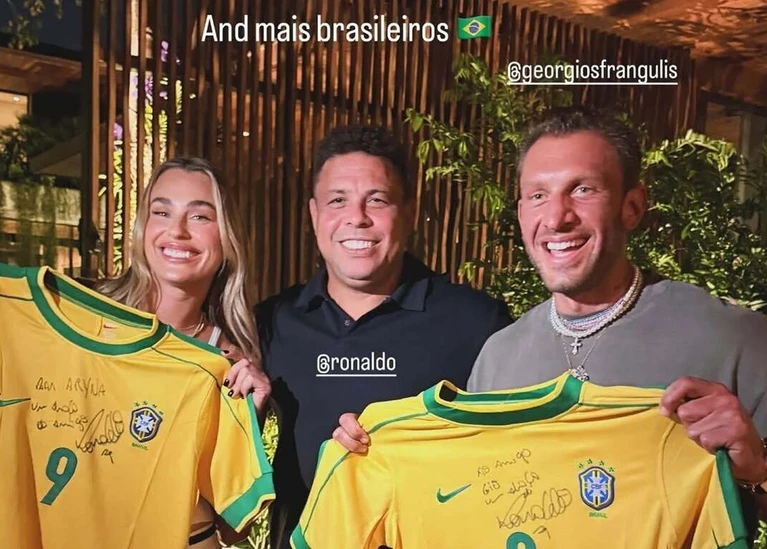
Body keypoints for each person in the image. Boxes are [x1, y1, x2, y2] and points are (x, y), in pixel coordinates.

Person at [336, 107, 767, 521]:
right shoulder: (499, 356)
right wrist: (375, 452)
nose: (557, 217)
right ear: (521, 213)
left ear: (632, 206)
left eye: (583, 190)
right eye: (538, 195)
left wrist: (757, 469)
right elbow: (474, 498)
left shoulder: (732, 338)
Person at [255, 124, 513, 546]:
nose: (357, 217)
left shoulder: (477, 323)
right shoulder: (272, 322)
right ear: (314, 215)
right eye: (338, 200)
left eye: (377, 199)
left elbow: (512, 460)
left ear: (408, 212)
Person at [97, 156, 271, 548]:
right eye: (162, 212)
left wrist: (250, 418)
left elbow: (232, 529)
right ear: (143, 227)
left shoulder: (228, 361)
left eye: (200, 217)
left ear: (226, 238)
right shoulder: (87, 321)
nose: (177, 231)